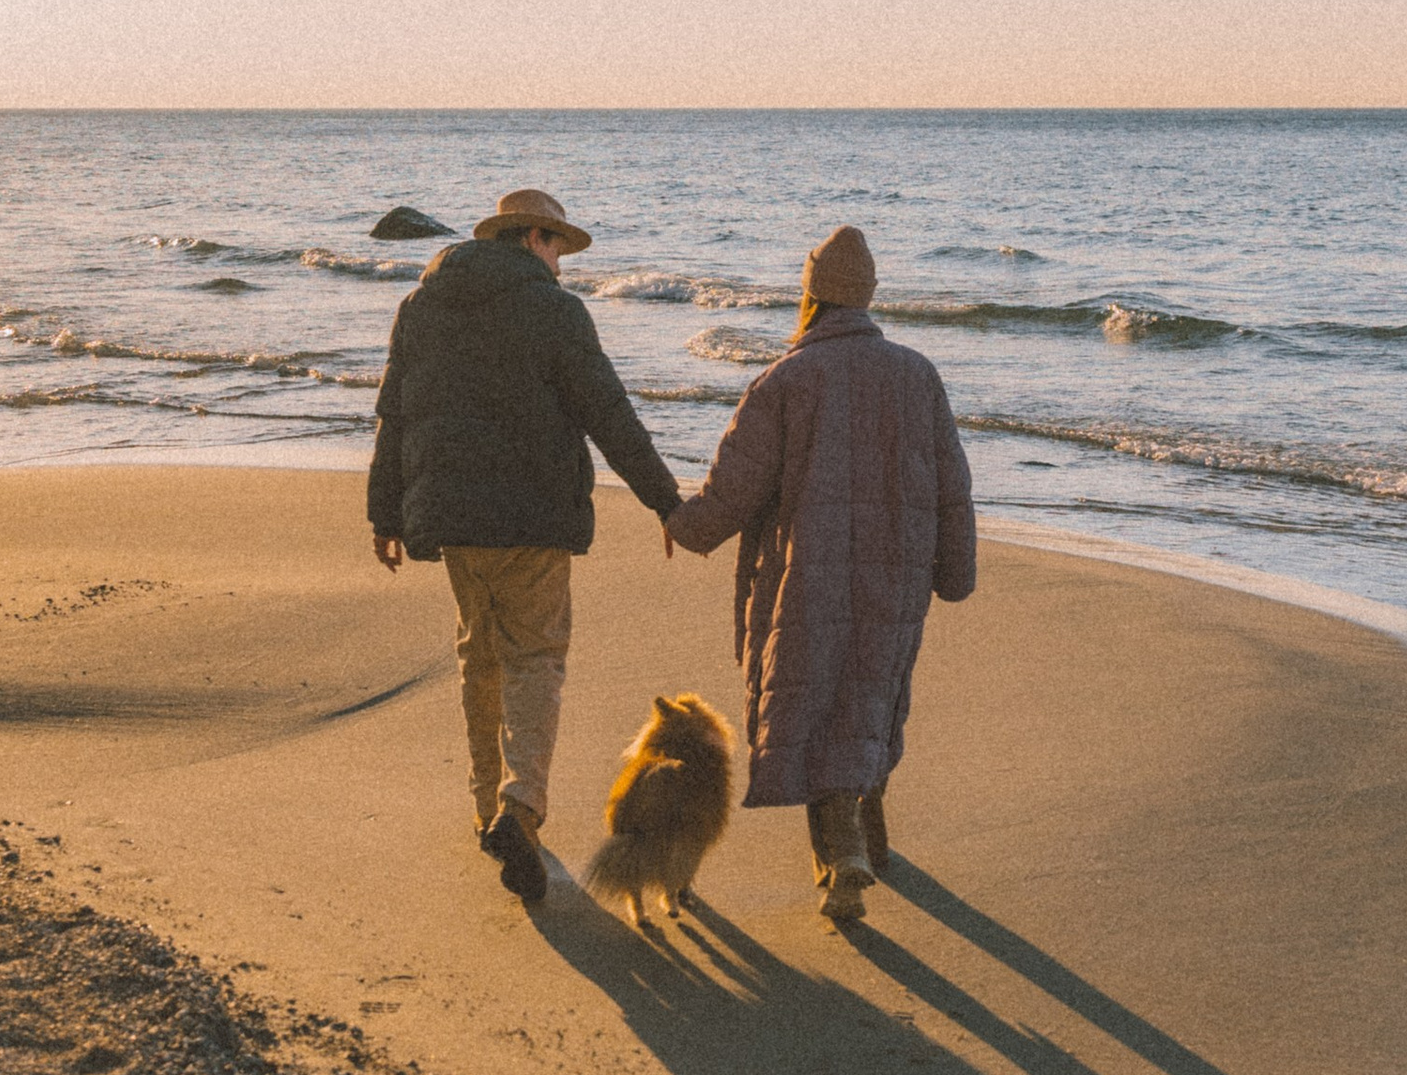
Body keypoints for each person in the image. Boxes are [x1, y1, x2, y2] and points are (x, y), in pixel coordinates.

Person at [369, 185, 682, 905]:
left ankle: (487, 808)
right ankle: (521, 806)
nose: (562, 263)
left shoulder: (421, 305)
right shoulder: (554, 310)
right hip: (533, 518)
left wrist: (383, 515)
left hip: (451, 517)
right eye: (558, 247)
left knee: (478, 655)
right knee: (534, 659)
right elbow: (608, 412)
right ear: (534, 238)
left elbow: (394, 414)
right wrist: (666, 502)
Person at [666, 225, 975, 925]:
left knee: (814, 701)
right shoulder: (917, 374)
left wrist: (684, 526)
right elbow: (954, 486)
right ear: (866, 295)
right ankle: (870, 834)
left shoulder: (787, 379)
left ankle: (843, 861)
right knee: (871, 694)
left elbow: (734, 489)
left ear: (810, 295)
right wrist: (956, 571)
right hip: (898, 572)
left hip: (807, 573)